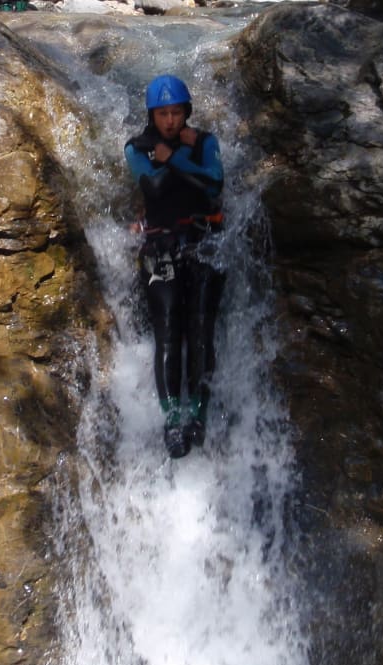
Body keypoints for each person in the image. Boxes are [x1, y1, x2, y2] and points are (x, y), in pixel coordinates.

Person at [124, 74, 225, 459]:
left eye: (177, 112)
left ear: (187, 112)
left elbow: (215, 186)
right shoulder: (138, 147)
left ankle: (198, 415)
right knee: (168, 332)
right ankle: (172, 419)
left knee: (201, 330)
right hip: (160, 246)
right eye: (163, 113)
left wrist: (178, 157)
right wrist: (175, 159)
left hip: (204, 242)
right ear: (152, 115)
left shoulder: (205, 143)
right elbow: (153, 188)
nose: (170, 120)